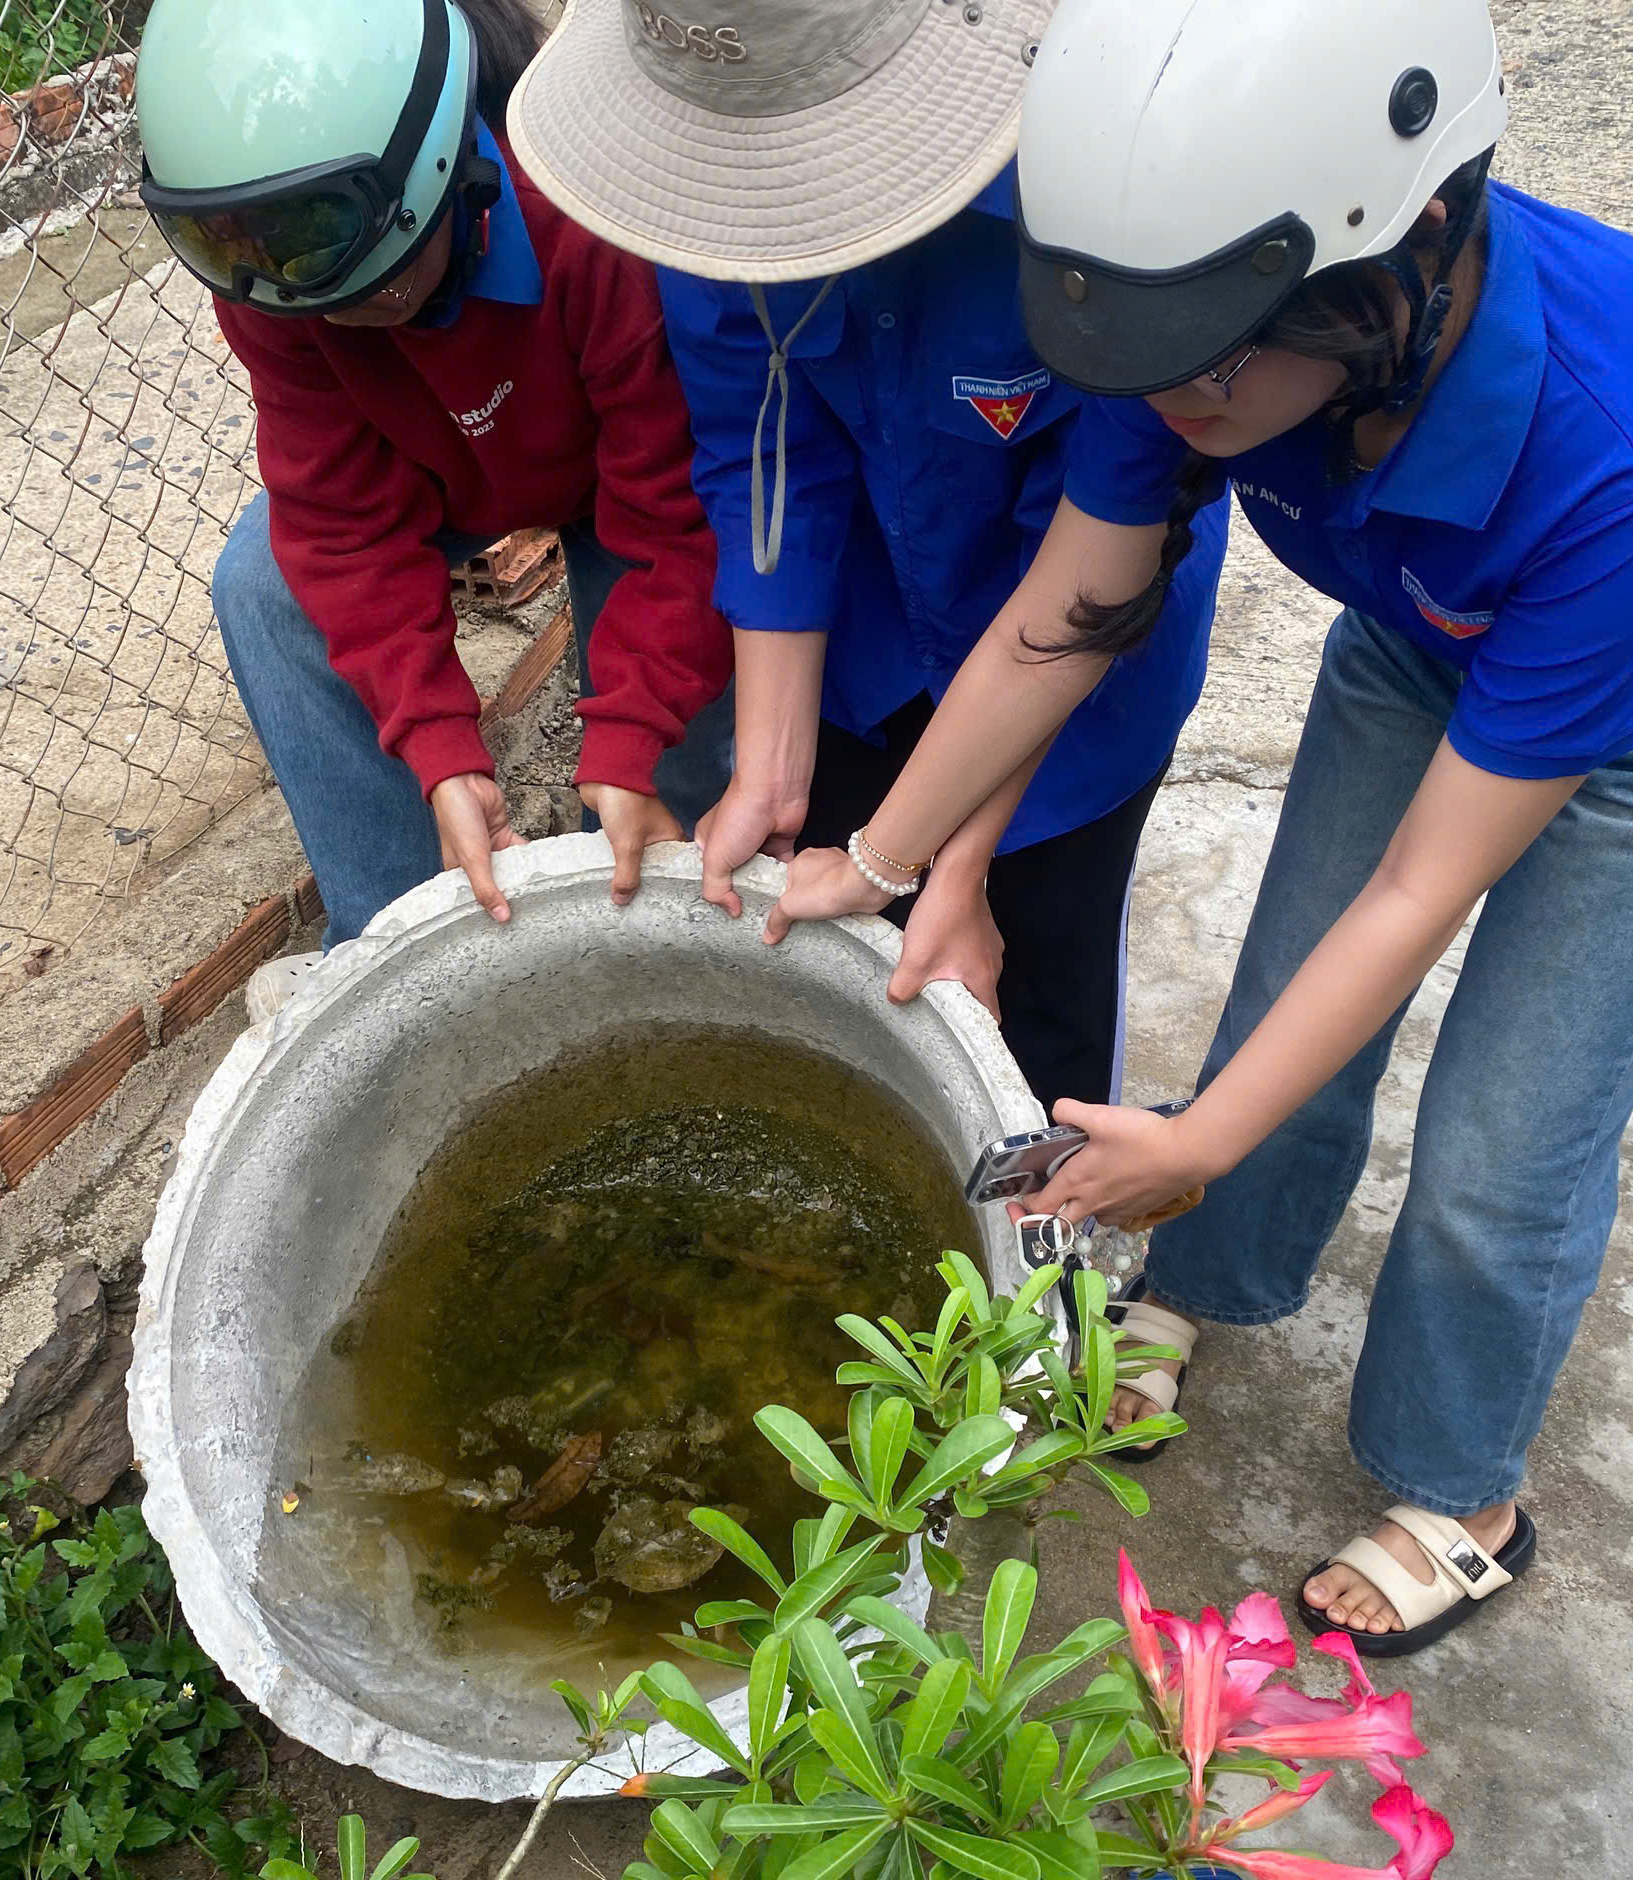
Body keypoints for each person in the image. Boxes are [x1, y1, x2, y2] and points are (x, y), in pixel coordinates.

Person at [767, 0, 1633, 1655]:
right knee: (1280, 1015)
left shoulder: (1622, 444)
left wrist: (1184, 1140)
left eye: (1199, 356)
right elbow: (1063, 615)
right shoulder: (1179, 320)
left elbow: (1422, 887)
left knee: (1504, 1133)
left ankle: (1461, 1483)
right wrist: (881, 857)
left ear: (1403, 252)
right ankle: (1213, 1278)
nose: (1157, 394)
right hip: (1423, 624)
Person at [504, 0, 1225, 1113]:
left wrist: (951, 860)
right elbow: (763, 446)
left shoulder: (1105, 201)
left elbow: (1088, 587)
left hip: (1080, 678)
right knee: (848, 967)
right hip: (868, 640)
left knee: (1038, 1004)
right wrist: (771, 762)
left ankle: (1067, 1273)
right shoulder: (714, 152)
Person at [135, 0, 736, 1016]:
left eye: (335, 263)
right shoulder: (277, 271)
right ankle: (392, 964)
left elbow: (676, 515)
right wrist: (440, 753)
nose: (301, 294)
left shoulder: (589, 210)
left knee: (669, 766)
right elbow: (336, 523)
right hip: (442, 466)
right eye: (246, 254)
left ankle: (659, 948)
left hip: (626, 470)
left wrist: (629, 734)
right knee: (264, 581)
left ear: (444, 176)